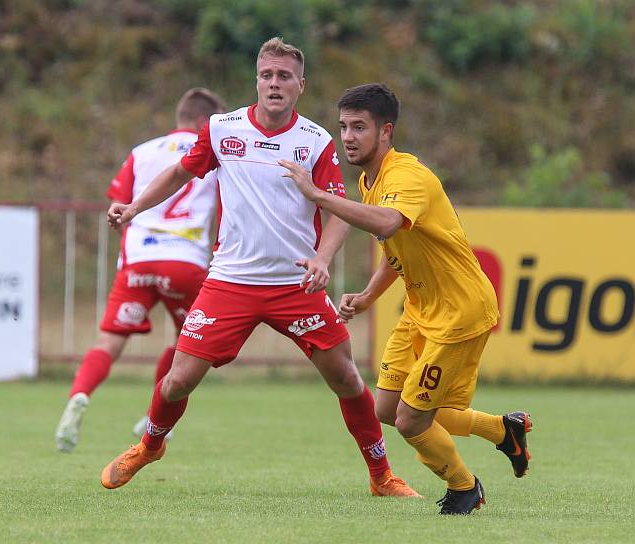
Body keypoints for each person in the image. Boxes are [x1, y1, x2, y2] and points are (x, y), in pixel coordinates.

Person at [100, 38, 419, 498]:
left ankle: (381, 476)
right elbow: (178, 174)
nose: (275, 83)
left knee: (347, 379)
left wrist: (322, 259)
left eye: (284, 76)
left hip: (296, 284)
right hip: (230, 281)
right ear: (256, 80)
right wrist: (132, 208)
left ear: (300, 86)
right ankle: (150, 446)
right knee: (176, 381)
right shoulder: (222, 129)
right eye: (267, 75)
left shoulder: (316, 141)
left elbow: (338, 209)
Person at [281, 83, 533, 515]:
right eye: (343, 126)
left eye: (359, 127)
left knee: (412, 420)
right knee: (389, 408)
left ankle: (464, 488)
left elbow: (388, 220)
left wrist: (320, 196)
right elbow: (396, 250)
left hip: (460, 313)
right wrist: (367, 296)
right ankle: (502, 430)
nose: (348, 137)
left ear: (386, 132)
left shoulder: (407, 177)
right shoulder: (369, 178)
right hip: (421, 310)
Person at [54, 87, 227, 453]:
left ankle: (79, 396)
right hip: (184, 261)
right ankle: (154, 417)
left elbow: (119, 204)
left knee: (109, 343)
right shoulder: (214, 151)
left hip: (138, 260)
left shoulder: (142, 151)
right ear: (202, 123)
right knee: (193, 346)